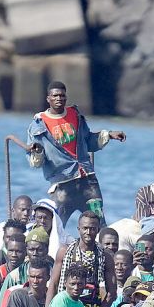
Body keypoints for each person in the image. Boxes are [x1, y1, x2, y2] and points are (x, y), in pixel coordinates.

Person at [26, 81, 126, 225]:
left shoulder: (75, 115)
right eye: (55, 96)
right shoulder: (38, 124)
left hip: (88, 181)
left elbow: (89, 140)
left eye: (62, 95)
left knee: (98, 223)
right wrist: (38, 152)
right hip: (62, 185)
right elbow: (36, 162)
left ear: (66, 97)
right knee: (55, 226)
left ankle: (102, 247)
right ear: (48, 99)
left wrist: (109, 135)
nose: (59, 98)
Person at [48, 211, 116, 307]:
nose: (88, 232)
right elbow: (54, 285)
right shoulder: (65, 252)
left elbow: (112, 293)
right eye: (85, 228)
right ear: (78, 229)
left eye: (92, 229)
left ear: (98, 230)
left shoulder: (105, 256)